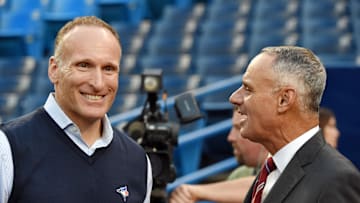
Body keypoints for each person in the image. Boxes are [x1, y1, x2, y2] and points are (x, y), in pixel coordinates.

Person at [0, 16, 152, 203]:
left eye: (108, 68)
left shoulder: (137, 161)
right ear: (54, 70)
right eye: (84, 65)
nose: (98, 83)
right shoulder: (7, 148)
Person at [229, 46, 360, 203]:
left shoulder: (336, 179)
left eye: (248, 89)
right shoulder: (270, 170)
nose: (234, 97)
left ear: (284, 100)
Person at [169, 109, 268, 203]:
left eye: (239, 128)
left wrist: (196, 191)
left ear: (263, 132)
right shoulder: (239, 174)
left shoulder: (281, 171)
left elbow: (268, 185)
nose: (230, 137)